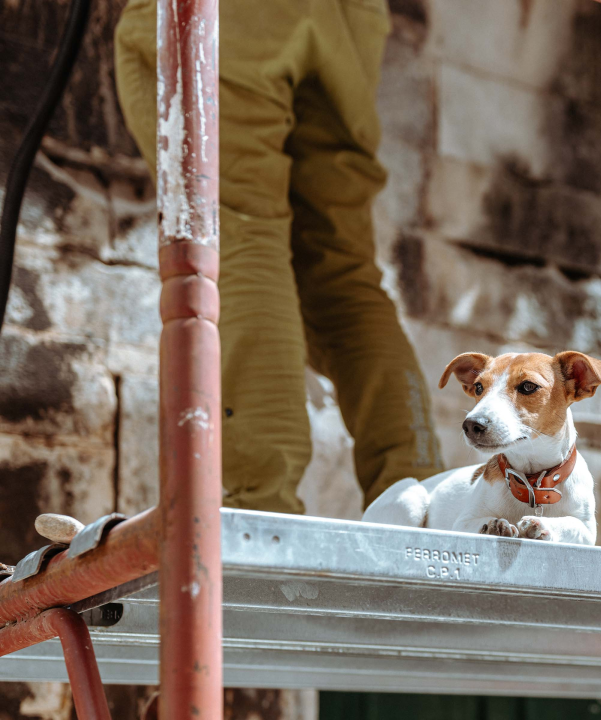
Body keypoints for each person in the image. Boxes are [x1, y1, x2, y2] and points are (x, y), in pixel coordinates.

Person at [114, 0, 443, 513]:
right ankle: (424, 494)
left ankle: (264, 507)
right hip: (351, 15)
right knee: (343, 272)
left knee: (241, 229)